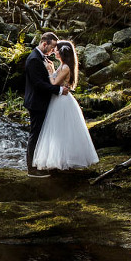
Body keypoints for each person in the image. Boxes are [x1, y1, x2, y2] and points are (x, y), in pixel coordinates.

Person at [31, 39, 99, 171]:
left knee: (62, 130)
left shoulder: (66, 67)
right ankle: (59, 158)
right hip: (58, 99)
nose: (54, 50)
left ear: (62, 52)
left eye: (56, 49)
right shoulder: (62, 66)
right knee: (58, 130)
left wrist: (50, 71)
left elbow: (55, 83)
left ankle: (65, 159)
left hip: (62, 101)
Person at [24, 32, 68, 177]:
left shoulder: (41, 58)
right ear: (44, 44)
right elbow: (38, 84)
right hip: (36, 102)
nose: (53, 50)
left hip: (41, 101)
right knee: (35, 135)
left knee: (42, 134)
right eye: (52, 47)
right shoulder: (34, 59)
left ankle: (42, 163)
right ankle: (32, 169)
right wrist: (59, 90)